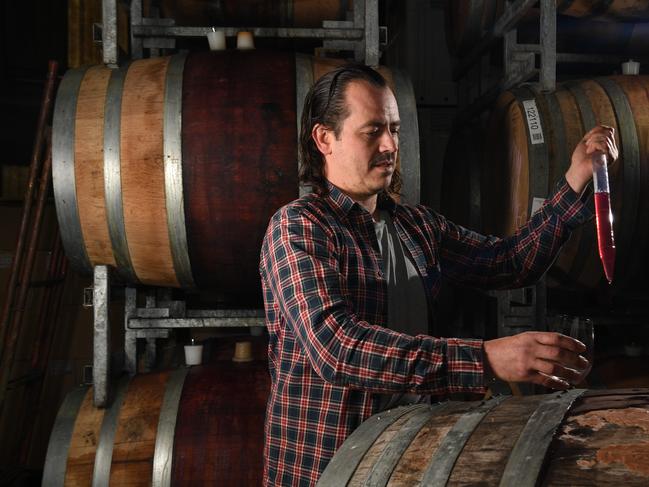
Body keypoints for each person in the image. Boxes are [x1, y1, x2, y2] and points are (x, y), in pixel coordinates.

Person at [259, 63, 617, 486]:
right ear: (325, 139)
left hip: (405, 462)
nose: (390, 144)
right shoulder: (299, 227)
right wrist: (484, 359)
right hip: (327, 469)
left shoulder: (416, 226)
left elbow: (508, 261)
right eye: (372, 131)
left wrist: (575, 180)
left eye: (394, 129)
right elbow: (338, 348)